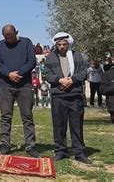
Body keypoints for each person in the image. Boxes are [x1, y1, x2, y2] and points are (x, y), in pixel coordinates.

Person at [45, 32, 91, 164]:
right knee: (59, 125)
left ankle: (79, 152)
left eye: (64, 44)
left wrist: (72, 80)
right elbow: (47, 75)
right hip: (58, 96)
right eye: (59, 44)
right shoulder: (50, 58)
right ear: (55, 45)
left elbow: (83, 72)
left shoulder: (77, 56)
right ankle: (61, 151)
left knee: (76, 126)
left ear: (68, 44)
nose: (61, 47)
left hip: (75, 95)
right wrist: (59, 80)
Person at [0, 25, 39, 157]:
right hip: (6, 85)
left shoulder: (26, 42)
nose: (9, 39)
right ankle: (5, 145)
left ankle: (30, 146)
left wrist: (19, 73)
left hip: (24, 84)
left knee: (27, 116)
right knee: (5, 116)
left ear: (16, 33)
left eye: (11, 36)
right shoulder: (0, 45)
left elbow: (32, 62)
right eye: (6, 37)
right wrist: (9, 74)